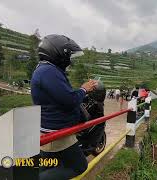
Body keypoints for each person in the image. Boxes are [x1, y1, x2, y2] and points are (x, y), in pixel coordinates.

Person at [31, 34, 98, 180]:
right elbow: (69, 100)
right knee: (79, 166)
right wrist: (84, 89)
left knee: (48, 166)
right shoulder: (48, 71)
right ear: (57, 54)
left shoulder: (47, 70)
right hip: (57, 134)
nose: (69, 60)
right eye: (68, 55)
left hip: (51, 130)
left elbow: (61, 96)